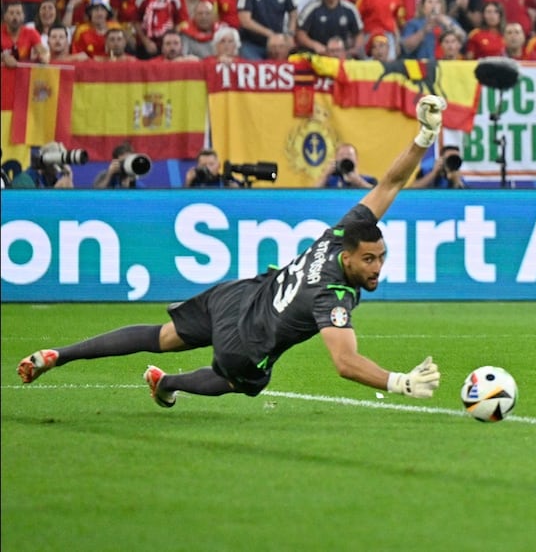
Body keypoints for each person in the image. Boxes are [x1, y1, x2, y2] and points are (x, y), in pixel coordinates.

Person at [17, 96, 448, 407]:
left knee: (160, 336)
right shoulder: (332, 295)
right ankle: (171, 384)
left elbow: (389, 183)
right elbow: (345, 361)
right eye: (370, 261)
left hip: (236, 295)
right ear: (350, 259)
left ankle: (59, 355)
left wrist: (424, 137)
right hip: (248, 339)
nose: (377, 268)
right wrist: (399, 382)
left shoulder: (339, 236)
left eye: (382, 257)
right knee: (242, 382)